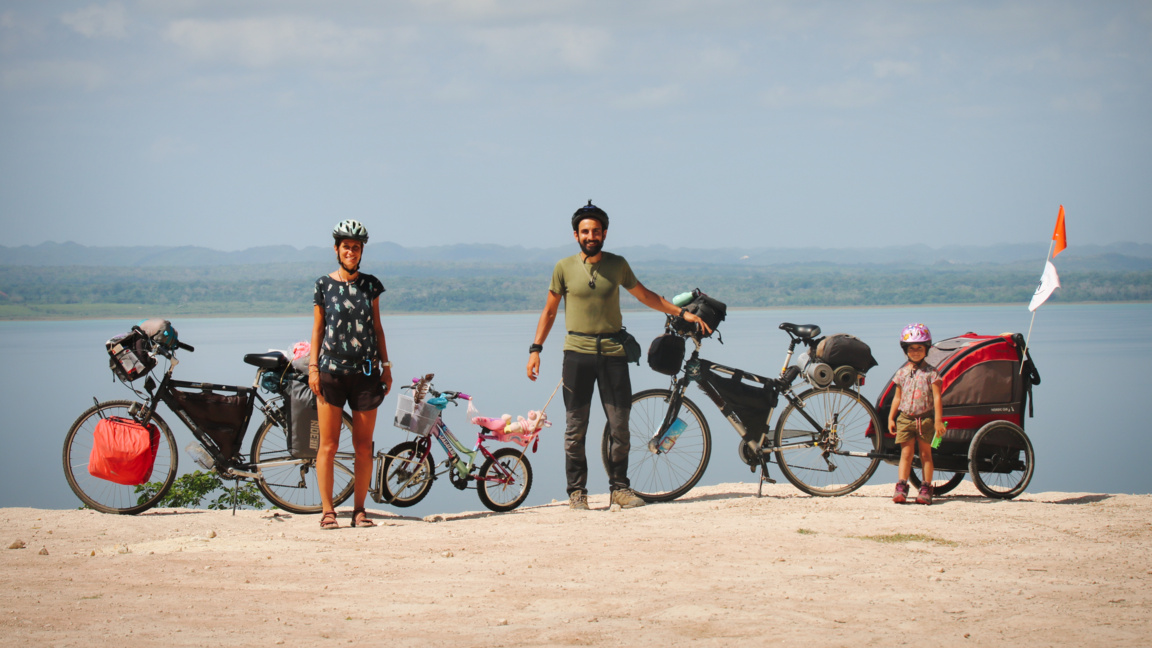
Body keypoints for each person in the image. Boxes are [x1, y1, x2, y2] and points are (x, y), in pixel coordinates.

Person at [526, 201, 711, 510]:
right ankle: (577, 492)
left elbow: (646, 295)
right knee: (575, 428)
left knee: (620, 426)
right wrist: (536, 349)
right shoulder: (563, 268)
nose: (591, 235)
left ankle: (620, 489)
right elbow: (549, 311)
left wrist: (682, 313)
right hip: (577, 355)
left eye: (596, 230)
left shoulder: (618, 265)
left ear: (605, 233)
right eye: (585, 231)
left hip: (613, 355)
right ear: (576, 235)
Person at [308, 220, 394, 529]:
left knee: (362, 446)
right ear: (336, 249)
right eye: (346, 247)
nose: (351, 252)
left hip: (366, 373)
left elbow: (378, 328)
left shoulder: (371, 285)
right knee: (328, 445)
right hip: (331, 372)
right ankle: (328, 511)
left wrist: (386, 367)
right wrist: (313, 368)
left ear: (361, 252)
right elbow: (318, 329)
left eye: (356, 248)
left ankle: (359, 510)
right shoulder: (323, 285)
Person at [887, 323, 945, 505]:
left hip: (926, 418)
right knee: (906, 454)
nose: (915, 352)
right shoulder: (902, 373)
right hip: (905, 418)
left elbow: (937, 398)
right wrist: (891, 417)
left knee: (926, 454)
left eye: (920, 348)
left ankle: (926, 487)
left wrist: (938, 421)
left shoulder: (932, 373)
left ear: (927, 349)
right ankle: (902, 486)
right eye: (911, 348)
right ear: (905, 350)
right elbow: (897, 398)